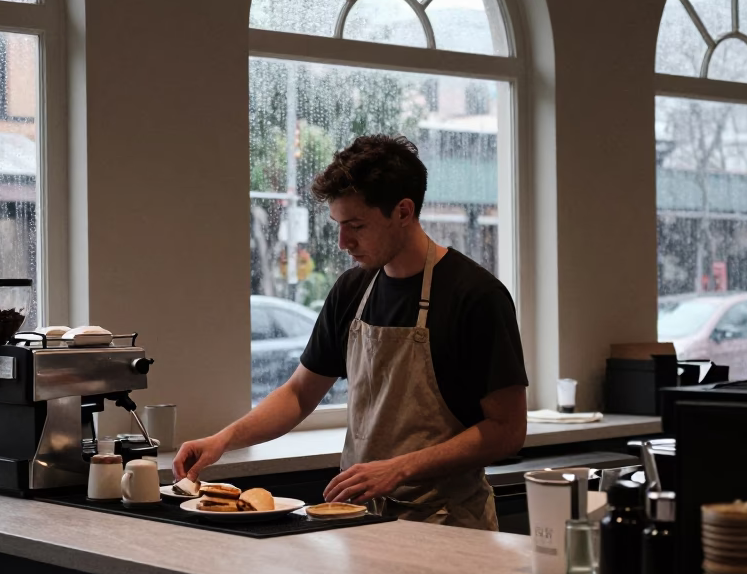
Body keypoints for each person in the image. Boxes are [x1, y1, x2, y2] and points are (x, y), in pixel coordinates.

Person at [174, 135, 528, 530]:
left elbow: (508, 430)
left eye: (357, 225)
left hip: (448, 524)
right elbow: (298, 394)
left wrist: (400, 468)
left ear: (403, 211)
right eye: (339, 226)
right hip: (360, 520)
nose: (344, 242)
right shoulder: (353, 290)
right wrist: (223, 440)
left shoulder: (476, 296)